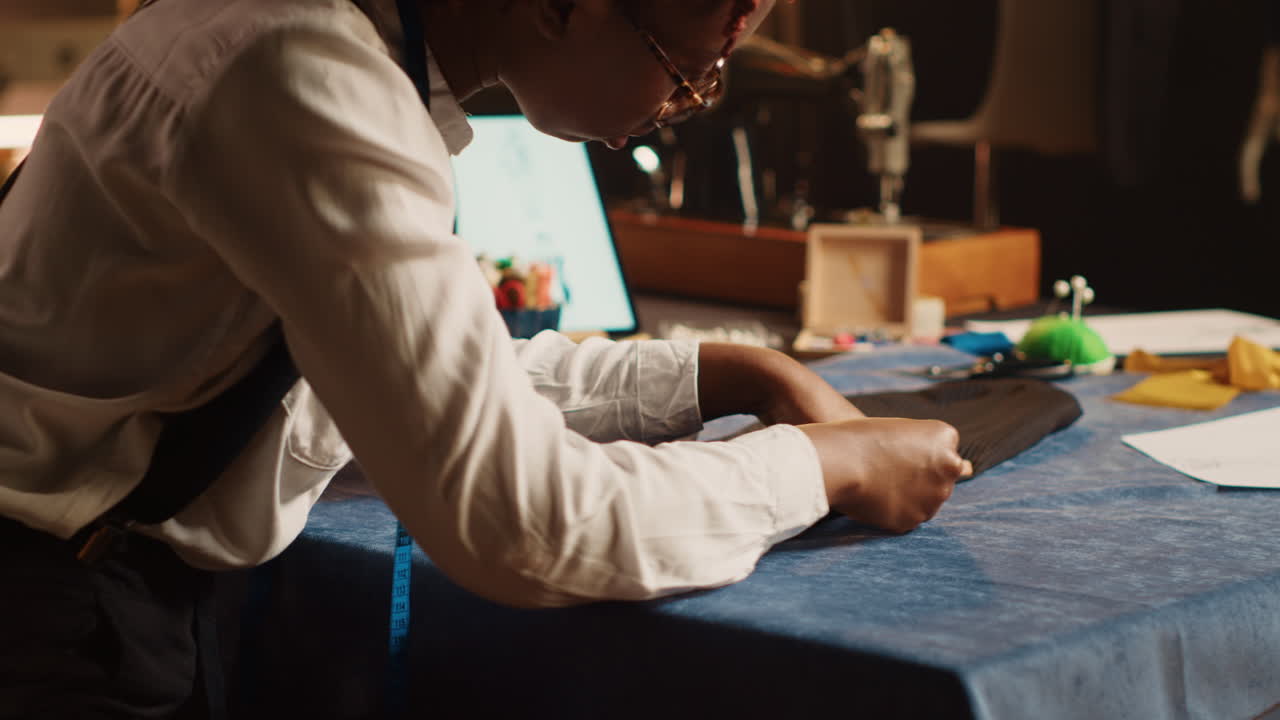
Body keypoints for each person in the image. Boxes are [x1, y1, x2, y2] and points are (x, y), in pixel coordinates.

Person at [0, 0, 970, 715]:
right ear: (562, 9)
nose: (686, 106)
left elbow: (423, 367)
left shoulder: (325, 52)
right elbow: (530, 522)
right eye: (686, 69)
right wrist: (823, 465)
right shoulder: (308, 83)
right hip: (53, 619)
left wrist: (729, 374)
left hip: (114, 585)